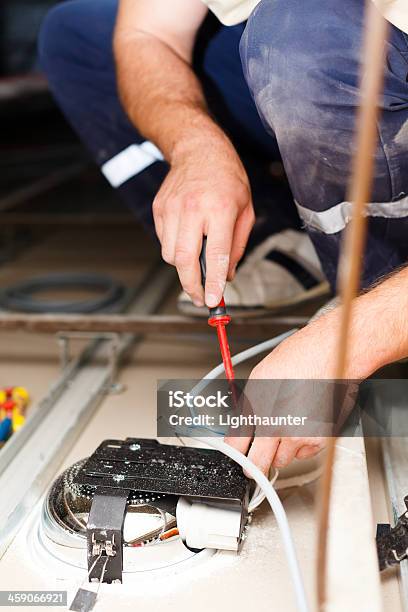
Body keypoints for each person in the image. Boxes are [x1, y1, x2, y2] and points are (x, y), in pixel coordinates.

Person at [39, 0, 408, 473]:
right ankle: (277, 244)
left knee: (301, 34)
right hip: (298, 55)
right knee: (77, 34)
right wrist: (195, 147)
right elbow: (145, 35)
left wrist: (356, 337)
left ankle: (377, 278)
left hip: (345, 55)